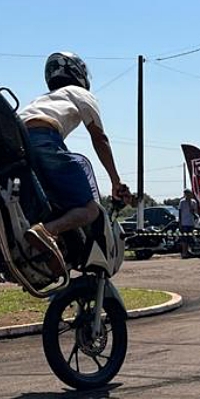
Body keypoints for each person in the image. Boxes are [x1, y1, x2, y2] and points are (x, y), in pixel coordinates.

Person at [18, 52, 129, 274]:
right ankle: (47, 232)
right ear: (78, 73)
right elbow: (99, 137)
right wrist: (116, 181)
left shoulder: (42, 99)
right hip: (44, 138)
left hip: (16, 143)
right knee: (89, 210)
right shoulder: (79, 93)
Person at [177, 189, 200, 258]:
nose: (187, 195)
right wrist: (180, 222)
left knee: (190, 238)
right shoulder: (182, 202)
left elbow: (195, 212)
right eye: (186, 193)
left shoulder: (193, 202)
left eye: (188, 193)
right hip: (184, 223)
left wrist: (192, 209)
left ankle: (190, 252)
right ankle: (184, 253)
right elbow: (180, 212)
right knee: (184, 239)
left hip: (191, 222)